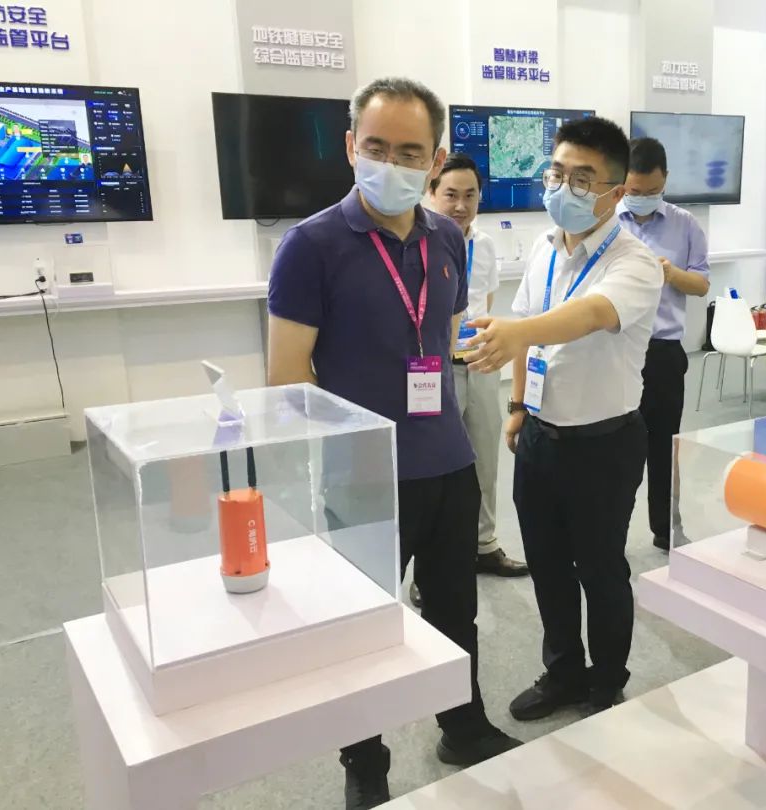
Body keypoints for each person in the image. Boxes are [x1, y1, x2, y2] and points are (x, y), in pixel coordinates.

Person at [266, 76, 520, 810]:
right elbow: (287, 377)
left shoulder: (448, 238)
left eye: (411, 152)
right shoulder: (310, 246)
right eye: (376, 147)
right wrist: (348, 454)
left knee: (455, 610)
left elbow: (440, 342)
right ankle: (365, 760)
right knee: (362, 626)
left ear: (434, 160)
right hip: (364, 477)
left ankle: (461, 725)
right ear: (351, 147)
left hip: (449, 463)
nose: (392, 163)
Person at [463, 117, 662, 719]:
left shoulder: (635, 262)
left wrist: (517, 331)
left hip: (604, 444)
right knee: (547, 565)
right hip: (541, 437)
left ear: (616, 192)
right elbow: (528, 338)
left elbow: (591, 315)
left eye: (582, 179)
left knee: (600, 568)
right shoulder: (546, 249)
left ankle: (606, 682)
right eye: (557, 173)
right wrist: (518, 407)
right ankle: (563, 673)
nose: (563, 188)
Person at [423, 152, 529, 604]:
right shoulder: (418, 242)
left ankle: (484, 545)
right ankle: (427, 566)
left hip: (480, 361)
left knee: (485, 457)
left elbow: (485, 299)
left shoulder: (484, 245)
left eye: (470, 196)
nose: (460, 205)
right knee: (432, 468)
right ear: (432, 193)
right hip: (431, 369)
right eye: (451, 194)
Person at [617, 137, 709, 551]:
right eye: (634, 191)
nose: (642, 198)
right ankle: (609, 532)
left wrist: (672, 274)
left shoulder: (685, 225)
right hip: (615, 349)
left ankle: (666, 528)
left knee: (664, 445)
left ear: (665, 181)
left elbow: (702, 284)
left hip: (663, 353)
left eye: (651, 191)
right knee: (615, 448)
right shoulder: (606, 221)